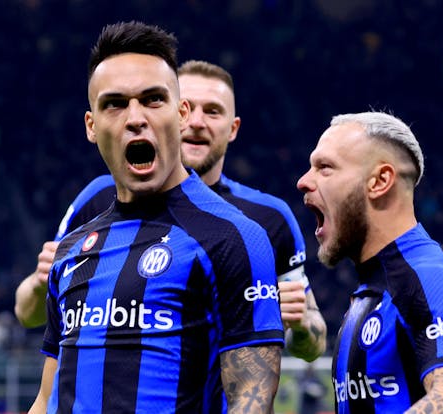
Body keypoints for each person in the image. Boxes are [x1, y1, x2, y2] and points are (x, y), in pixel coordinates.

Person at [28, 21, 283, 413]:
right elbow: (46, 398)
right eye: (115, 103)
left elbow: (251, 401)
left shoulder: (234, 238)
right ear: (91, 126)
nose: (135, 117)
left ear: (180, 115)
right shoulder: (72, 249)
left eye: (152, 99)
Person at [15, 61, 327, 361]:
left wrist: (299, 326)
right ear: (173, 115)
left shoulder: (268, 218)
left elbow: (314, 345)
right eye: (188, 108)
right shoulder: (100, 197)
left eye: (213, 111)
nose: (198, 122)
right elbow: (27, 314)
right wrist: (41, 283)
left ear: (233, 129)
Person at [296, 111, 443, 413]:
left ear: (380, 181)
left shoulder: (431, 277)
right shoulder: (370, 292)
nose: (303, 182)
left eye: (325, 168)